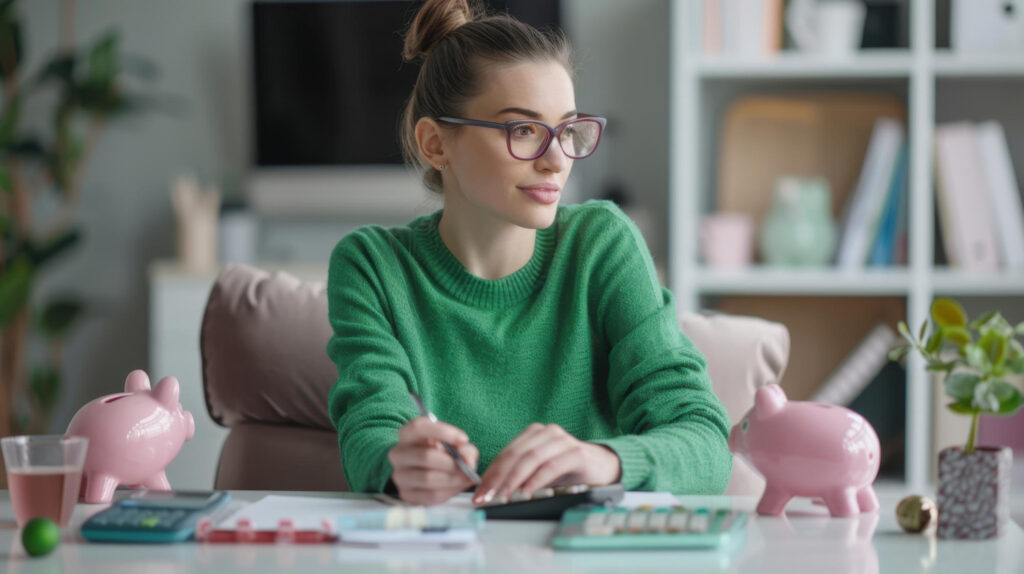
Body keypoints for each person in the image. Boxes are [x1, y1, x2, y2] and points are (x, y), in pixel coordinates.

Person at [326, 0, 732, 506]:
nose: (557, 160)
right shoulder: (371, 267)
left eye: (566, 130)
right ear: (435, 144)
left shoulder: (601, 244)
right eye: (523, 131)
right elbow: (371, 425)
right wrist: (398, 464)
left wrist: (604, 462)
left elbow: (705, 442)